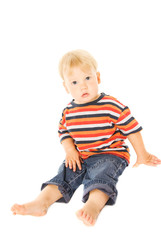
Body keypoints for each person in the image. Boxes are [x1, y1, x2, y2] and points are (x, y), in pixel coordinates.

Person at [11, 49, 161, 226]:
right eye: (74, 82)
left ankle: (93, 205)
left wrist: (142, 154)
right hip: (81, 156)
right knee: (64, 174)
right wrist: (70, 151)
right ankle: (41, 202)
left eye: (87, 78)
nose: (83, 86)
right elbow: (64, 132)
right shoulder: (68, 111)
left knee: (101, 175)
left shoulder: (110, 105)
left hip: (111, 154)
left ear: (97, 78)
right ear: (66, 87)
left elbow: (132, 129)